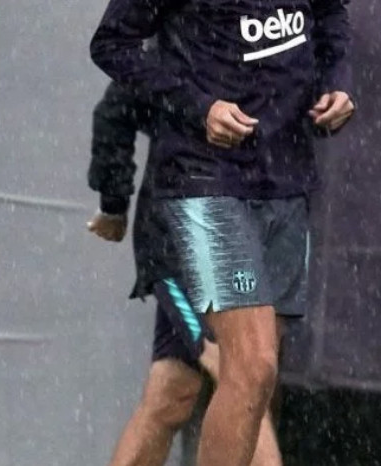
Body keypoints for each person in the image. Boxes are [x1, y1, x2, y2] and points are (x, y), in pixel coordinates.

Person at [90, 0, 353, 466]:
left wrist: (336, 85)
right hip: (202, 184)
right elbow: (112, 46)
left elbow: (331, 17)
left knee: (177, 391)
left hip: (284, 176)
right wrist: (196, 106)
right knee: (253, 365)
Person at [86, 80, 280, 466]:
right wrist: (113, 202)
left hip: (243, 232)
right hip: (179, 242)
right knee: (242, 371)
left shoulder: (281, 40)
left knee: (170, 395)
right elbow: (115, 110)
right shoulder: (178, 42)